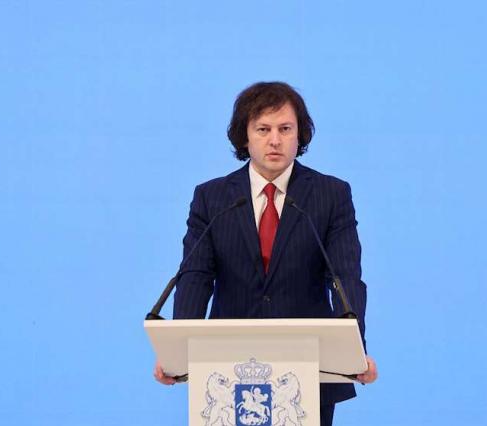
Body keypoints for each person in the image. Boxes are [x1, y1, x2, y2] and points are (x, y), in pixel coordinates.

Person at [154, 82, 377, 425]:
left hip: (309, 367)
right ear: (245, 136)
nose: (275, 140)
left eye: (285, 129)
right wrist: (178, 352)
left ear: (300, 135)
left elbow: (345, 276)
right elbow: (196, 277)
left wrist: (354, 350)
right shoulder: (212, 198)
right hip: (226, 366)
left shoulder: (331, 195)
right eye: (263, 129)